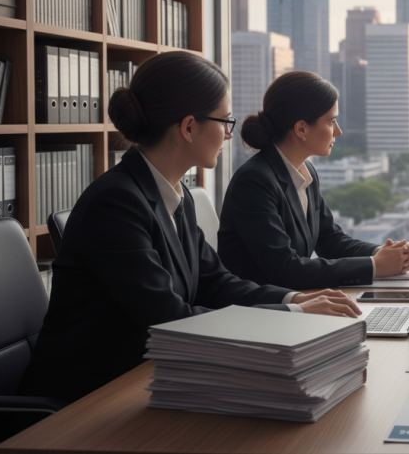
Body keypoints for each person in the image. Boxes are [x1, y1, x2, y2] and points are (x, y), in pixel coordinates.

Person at [18, 53, 361, 403]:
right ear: (188, 127)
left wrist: (296, 298)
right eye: (225, 121)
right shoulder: (116, 204)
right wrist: (295, 313)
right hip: (87, 400)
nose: (229, 135)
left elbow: (215, 283)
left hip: (150, 379)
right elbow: (170, 318)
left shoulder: (175, 194)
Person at [218, 71, 409, 290]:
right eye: (331, 122)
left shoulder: (305, 172)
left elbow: (330, 239)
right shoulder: (254, 181)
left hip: (298, 302)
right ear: (301, 128)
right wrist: (374, 266)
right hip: (261, 311)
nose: (338, 131)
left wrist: (381, 253)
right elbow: (285, 269)